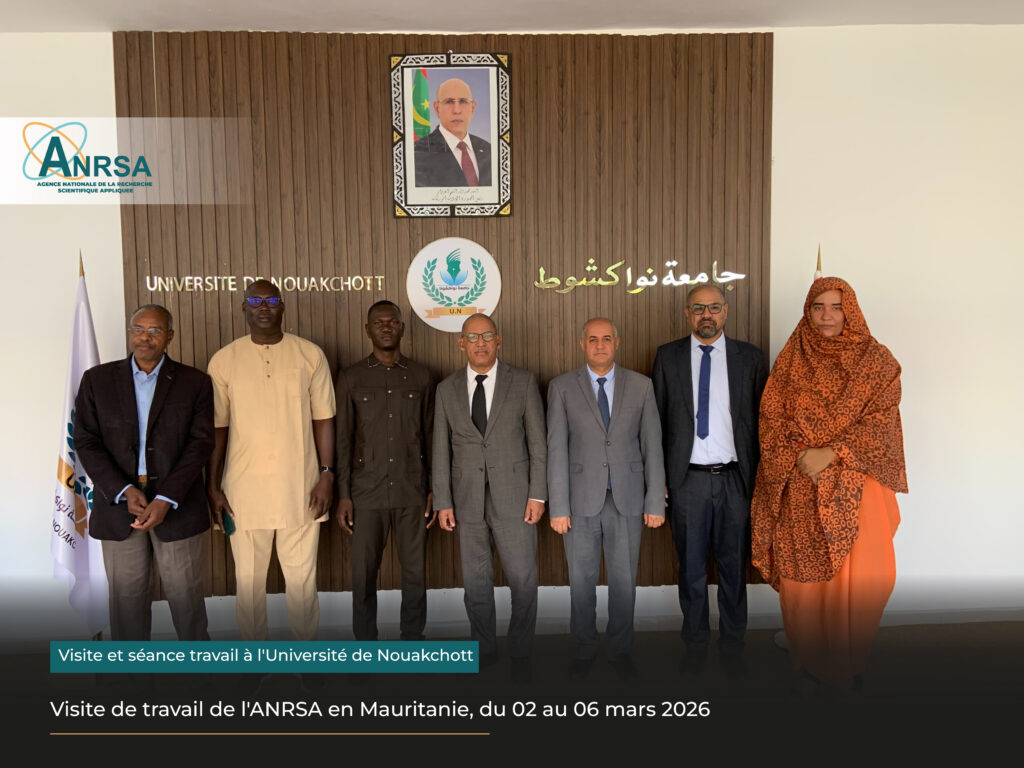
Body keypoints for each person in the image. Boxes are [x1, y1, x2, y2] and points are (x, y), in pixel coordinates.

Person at [750, 276, 907, 695]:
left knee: (860, 579)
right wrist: (802, 456)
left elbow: (882, 424)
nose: (826, 316)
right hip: (800, 483)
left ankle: (848, 662)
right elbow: (771, 418)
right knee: (804, 582)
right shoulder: (791, 358)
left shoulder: (876, 361)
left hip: (857, 489)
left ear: (849, 310)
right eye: (818, 306)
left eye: (836, 306)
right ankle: (808, 660)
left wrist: (833, 452)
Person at [74, 304, 213, 641]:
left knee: (187, 604)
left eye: (154, 331)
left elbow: (200, 443)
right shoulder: (97, 380)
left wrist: (166, 497)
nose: (144, 337)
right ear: (129, 332)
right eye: (138, 329)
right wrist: (122, 490)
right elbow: (86, 441)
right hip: (119, 507)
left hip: (177, 507)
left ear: (170, 336)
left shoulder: (194, 382)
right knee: (127, 609)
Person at [206, 280, 336, 643]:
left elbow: (324, 418)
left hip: (302, 488)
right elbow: (218, 429)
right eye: (255, 300)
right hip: (242, 493)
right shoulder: (224, 360)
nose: (263, 307)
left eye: (271, 300)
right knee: (248, 585)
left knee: (302, 583)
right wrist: (213, 487)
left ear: (283, 306)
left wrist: (326, 475)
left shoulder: (309, 355)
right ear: (243, 308)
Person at [652, 283, 768, 677]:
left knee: (734, 567)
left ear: (726, 311)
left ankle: (733, 646)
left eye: (714, 307)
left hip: (736, 479)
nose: (707, 315)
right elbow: (657, 424)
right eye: (698, 308)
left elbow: (764, 422)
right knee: (691, 569)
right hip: (687, 482)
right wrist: (660, 479)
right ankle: (695, 645)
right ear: (688, 314)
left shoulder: (750, 358)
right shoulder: (667, 357)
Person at [547, 318, 665, 680]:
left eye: (607, 339)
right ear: (582, 343)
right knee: (581, 582)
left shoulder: (642, 386)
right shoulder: (561, 387)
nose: (600, 345)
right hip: (579, 502)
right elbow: (556, 449)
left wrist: (654, 502)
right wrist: (558, 506)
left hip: (627, 500)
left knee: (624, 583)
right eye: (593, 339)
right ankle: (583, 650)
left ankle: (620, 650)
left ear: (618, 342)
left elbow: (653, 446)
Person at [432, 313, 546, 681]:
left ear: (498, 340)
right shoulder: (446, 389)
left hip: (516, 498)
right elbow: (440, 450)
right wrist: (443, 500)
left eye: (487, 336)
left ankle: (521, 652)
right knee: (475, 583)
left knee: (523, 580)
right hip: (465, 501)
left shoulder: (523, 382)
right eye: (472, 337)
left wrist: (538, 495)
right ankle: (483, 649)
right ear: (460, 343)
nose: (480, 343)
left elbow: (538, 444)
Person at [335, 300, 435, 641]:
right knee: (363, 576)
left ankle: (413, 641)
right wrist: (344, 495)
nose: (386, 327)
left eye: (392, 322)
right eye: (379, 323)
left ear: (402, 328)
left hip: (412, 491)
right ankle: (365, 646)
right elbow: (343, 441)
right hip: (366, 493)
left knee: (415, 575)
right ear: (368, 330)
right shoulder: (351, 377)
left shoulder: (422, 377)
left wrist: (434, 489)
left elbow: (432, 436)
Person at [414, 77, 492, 188]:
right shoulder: (417, 154)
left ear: (473, 108)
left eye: (463, 101)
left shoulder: (489, 150)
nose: (457, 110)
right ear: (437, 109)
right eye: (449, 102)